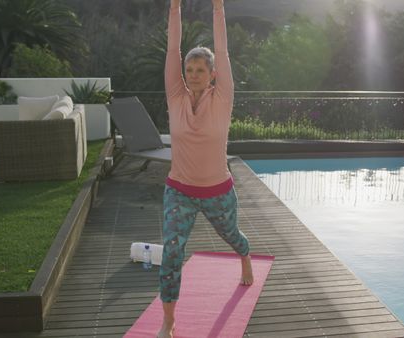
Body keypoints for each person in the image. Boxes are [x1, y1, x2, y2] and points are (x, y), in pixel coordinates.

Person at [157, 0, 253, 337]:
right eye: (189, 69)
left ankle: (245, 255)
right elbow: (172, 48)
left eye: (201, 69)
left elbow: (223, 50)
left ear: (213, 74)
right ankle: (169, 320)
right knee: (171, 250)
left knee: (233, 237)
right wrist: (174, 6)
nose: (193, 74)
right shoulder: (175, 96)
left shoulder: (222, 97)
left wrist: (217, 7)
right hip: (179, 189)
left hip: (217, 192)